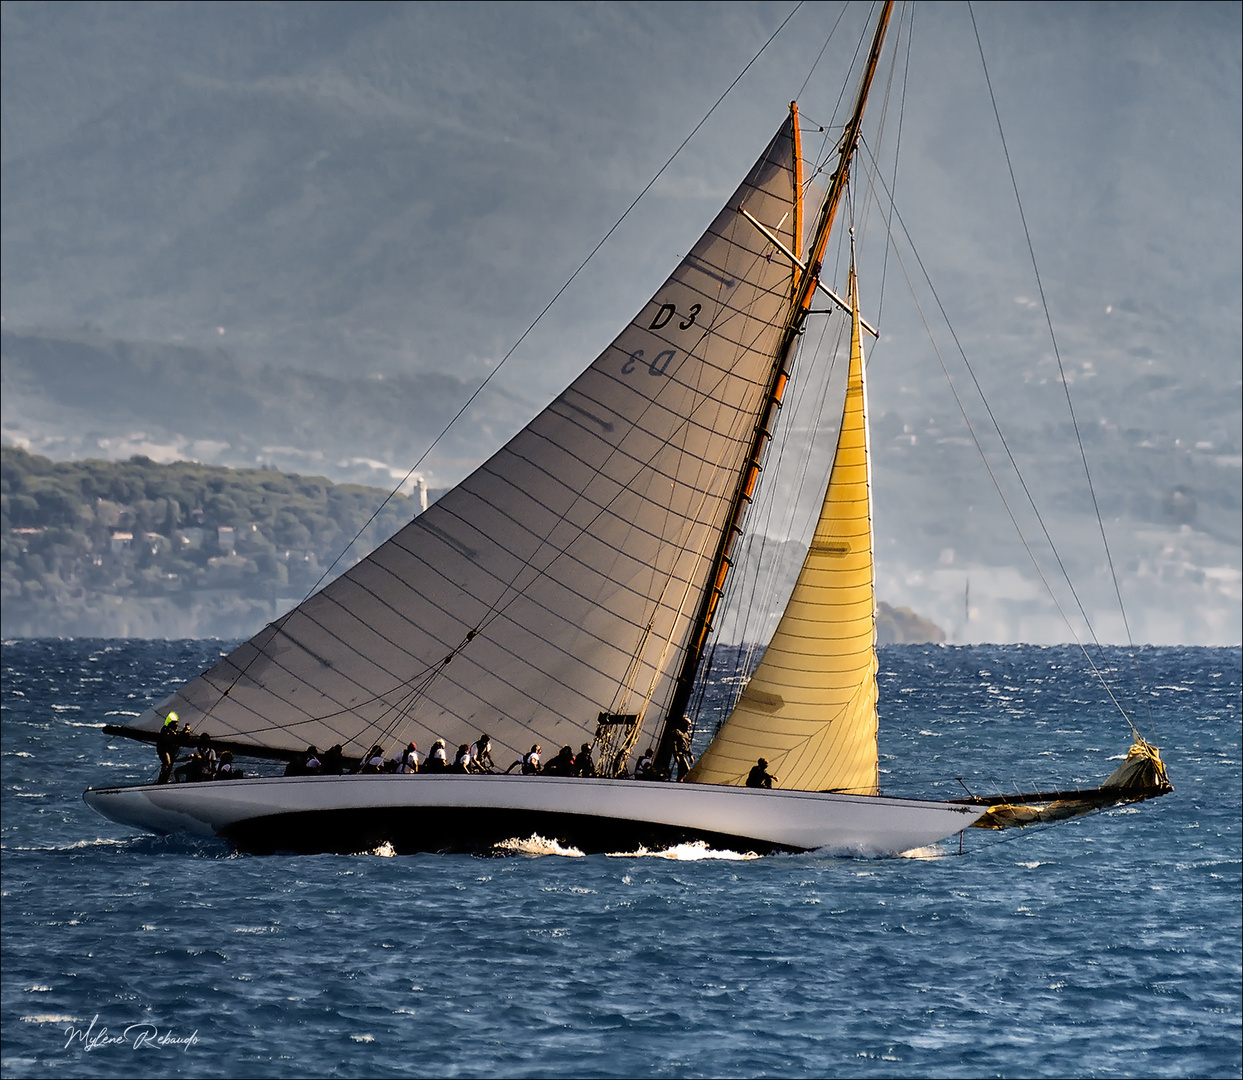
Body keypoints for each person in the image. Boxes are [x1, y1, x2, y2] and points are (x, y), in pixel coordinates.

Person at [156, 712, 180, 783]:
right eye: (175, 724)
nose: (176, 726)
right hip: (164, 750)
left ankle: (164, 780)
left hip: (170, 750)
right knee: (167, 764)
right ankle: (162, 781)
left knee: (169, 765)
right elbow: (170, 738)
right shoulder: (166, 731)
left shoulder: (172, 731)